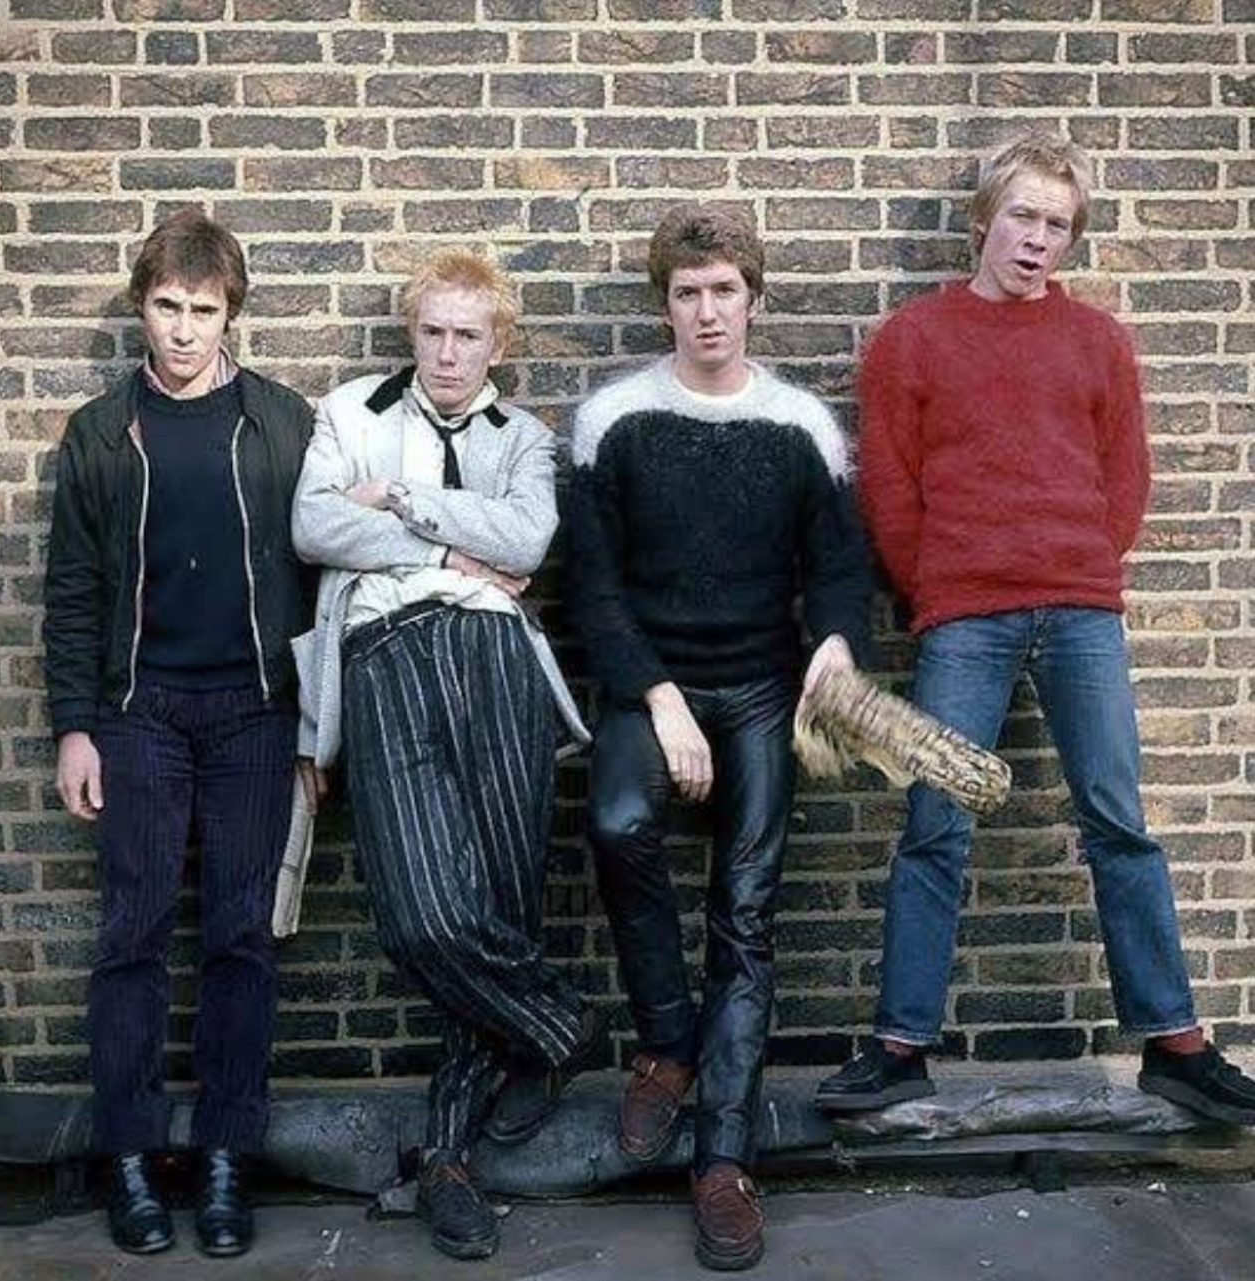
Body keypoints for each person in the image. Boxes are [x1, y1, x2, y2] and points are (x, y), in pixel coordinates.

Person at [814, 133, 1255, 1128]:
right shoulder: (911, 339)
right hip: (962, 616)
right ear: (984, 220)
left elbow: (1124, 478)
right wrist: (937, 581)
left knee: (1116, 821)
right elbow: (889, 489)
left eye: (1056, 225)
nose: (1035, 239)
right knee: (935, 826)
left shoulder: (1098, 341)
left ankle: (1174, 1045)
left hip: (1079, 609)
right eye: (1021, 215)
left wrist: (1078, 561)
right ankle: (899, 1048)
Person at [570, 204, 873, 1270]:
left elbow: (838, 566)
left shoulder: (799, 425)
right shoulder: (612, 420)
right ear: (665, 305)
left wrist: (834, 642)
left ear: (754, 299)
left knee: (745, 910)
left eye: (724, 291)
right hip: (649, 683)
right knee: (616, 823)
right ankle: (668, 1043)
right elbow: (593, 588)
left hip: (757, 690)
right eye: (688, 293)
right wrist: (658, 698)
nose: (707, 311)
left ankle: (724, 1158)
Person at [290, 248, 602, 1262]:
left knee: (498, 902)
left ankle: (449, 1163)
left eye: (469, 335)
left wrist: (403, 502)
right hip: (386, 654)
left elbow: (526, 540)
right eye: (432, 331)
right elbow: (313, 523)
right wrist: (444, 554)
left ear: (497, 343)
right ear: (410, 332)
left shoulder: (525, 438)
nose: (448, 354)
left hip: (497, 663)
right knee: (423, 913)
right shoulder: (349, 413)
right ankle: (560, 1024)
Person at [43, 210, 317, 1257]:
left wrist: (315, 730)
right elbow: (73, 592)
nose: (185, 329)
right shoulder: (100, 432)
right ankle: (129, 1156)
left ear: (231, 312)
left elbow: (323, 577)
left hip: (255, 712)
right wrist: (75, 727)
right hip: (139, 713)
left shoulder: (281, 423)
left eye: (204, 309)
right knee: (134, 933)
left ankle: (225, 1160)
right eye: (167, 306)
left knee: (242, 936)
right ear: (140, 307)